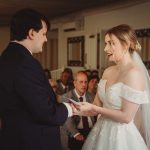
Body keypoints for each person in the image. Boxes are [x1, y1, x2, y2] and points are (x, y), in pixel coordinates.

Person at [0, 8, 72, 150]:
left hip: (13, 136)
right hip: (32, 141)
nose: (45, 39)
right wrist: (70, 108)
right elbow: (46, 113)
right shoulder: (25, 63)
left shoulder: (6, 56)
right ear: (32, 33)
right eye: (44, 34)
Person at [72, 24, 150, 150]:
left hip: (121, 137)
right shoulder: (108, 71)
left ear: (126, 44)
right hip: (101, 131)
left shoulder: (134, 73)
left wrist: (96, 109)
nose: (105, 48)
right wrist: (76, 110)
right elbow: (96, 105)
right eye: (105, 43)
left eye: (111, 43)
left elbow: (126, 117)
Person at [61, 71, 96, 150]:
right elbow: (67, 118)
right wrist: (76, 133)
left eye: (85, 82)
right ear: (75, 83)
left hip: (92, 130)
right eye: (81, 82)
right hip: (76, 131)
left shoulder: (92, 97)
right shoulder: (66, 97)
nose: (84, 85)